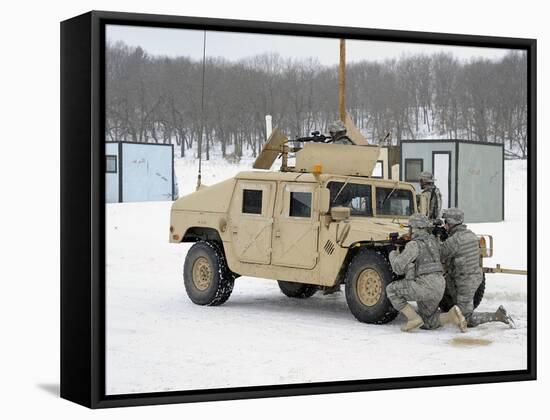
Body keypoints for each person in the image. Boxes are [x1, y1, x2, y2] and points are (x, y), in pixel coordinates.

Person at [386, 213, 467, 332]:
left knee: (391, 290)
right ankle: (451, 316)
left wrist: (392, 251)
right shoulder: (434, 241)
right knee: (427, 321)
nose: (409, 231)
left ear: (415, 228)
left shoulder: (414, 245)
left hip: (424, 285)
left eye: (410, 228)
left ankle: (413, 318)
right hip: (439, 285)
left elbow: (398, 268)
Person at [440, 208, 515, 328]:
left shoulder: (455, 240)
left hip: (465, 281)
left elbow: (440, 254)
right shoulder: (471, 235)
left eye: (446, 223)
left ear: (451, 223)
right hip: (474, 277)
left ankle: (498, 315)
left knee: (466, 319)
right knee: (458, 308)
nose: (444, 225)